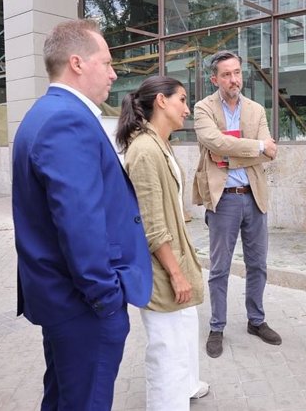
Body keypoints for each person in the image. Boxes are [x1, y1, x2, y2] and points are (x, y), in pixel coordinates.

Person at [12, 19, 153, 410]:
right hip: (83, 305)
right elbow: (80, 223)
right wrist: (106, 299)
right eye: (106, 62)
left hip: (63, 299)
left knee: (62, 398)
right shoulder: (66, 119)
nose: (113, 72)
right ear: (77, 62)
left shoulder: (46, 112)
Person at [115, 76, 209, 409]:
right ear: (161, 101)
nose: (187, 108)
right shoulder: (143, 150)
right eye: (182, 100)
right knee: (166, 349)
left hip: (175, 257)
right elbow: (152, 225)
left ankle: (187, 386)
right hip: (160, 267)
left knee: (184, 331)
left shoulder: (160, 143)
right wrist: (175, 273)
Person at [192, 50, 280, 358]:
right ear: (214, 78)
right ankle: (217, 326)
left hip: (254, 196)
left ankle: (256, 321)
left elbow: (270, 152)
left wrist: (231, 154)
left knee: (258, 265)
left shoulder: (256, 109)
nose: (234, 79)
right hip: (224, 200)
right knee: (220, 268)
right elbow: (214, 143)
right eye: (227, 74)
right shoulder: (203, 108)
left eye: (238, 73)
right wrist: (254, 146)